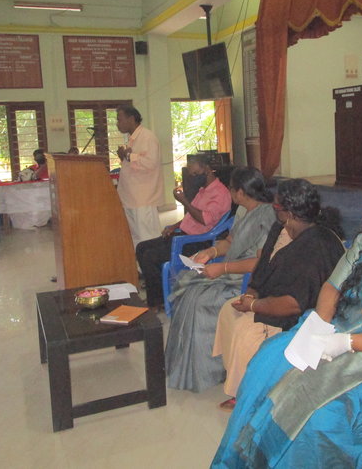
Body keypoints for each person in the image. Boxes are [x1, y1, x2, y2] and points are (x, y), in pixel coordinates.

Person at [212, 170, 362, 468]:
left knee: (318, 410)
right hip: (337, 332)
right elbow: (332, 286)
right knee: (269, 360)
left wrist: (347, 342)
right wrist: (320, 330)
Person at [212, 178, 345, 410]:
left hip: (299, 315)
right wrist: (251, 294)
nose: (273, 211)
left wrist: (253, 306)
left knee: (246, 329)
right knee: (228, 310)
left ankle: (249, 392)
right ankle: (237, 371)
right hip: (270, 298)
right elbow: (262, 266)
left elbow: (293, 304)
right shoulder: (280, 229)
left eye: (276, 208)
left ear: (290, 213)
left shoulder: (316, 246)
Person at [165, 167, 276, 392]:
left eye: (232, 189)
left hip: (248, 279)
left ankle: (208, 371)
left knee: (200, 302)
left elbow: (261, 262)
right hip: (231, 270)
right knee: (187, 288)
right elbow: (230, 242)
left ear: (241, 192)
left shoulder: (267, 216)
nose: (230, 192)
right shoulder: (243, 210)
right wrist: (211, 253)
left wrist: (223, 268)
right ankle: (184, 366)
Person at [135, 154, 232, 308]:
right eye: (191, 174)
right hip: (183, 234)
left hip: (197, 241)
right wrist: (174, 226)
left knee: (150, 256)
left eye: (195, 173)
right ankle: (158, 289)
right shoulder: (203, 190)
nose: (193, 178)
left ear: (207, 169)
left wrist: (184, 201)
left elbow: (204, 219)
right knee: (141, 247)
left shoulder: (220, 193)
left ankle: (158, 301)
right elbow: (191, 216)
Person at [115, 105, 164, 248]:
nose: (117, 124)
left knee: (148, 239)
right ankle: (140, 261)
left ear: (131, 119)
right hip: (131, 198)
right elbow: (134, 165)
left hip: (143, 199)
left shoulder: (147, 137)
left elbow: (151, 162)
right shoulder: (133, 138)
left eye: (119, 119)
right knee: (136, 239)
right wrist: (124, 156)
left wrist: (129, 156)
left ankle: (152, 262)